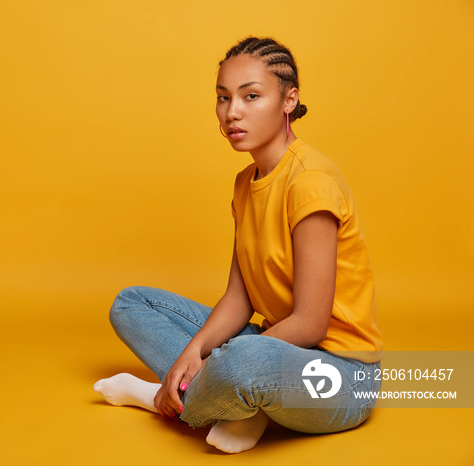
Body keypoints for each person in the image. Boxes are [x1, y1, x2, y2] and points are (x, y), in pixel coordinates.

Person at [93, 36, 383, 454]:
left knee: (243, 359)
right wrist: (192, 352)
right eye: (223, 98)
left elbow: (310, 324)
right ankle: (237, 402)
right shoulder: (245, 184)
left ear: (289, 100)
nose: (232, 112)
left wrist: (220, 358)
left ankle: (159, 395)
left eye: (251, 96)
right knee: (131, 304)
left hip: (341, 377)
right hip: (273, 344)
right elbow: (238, 297)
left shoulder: (310, 182)